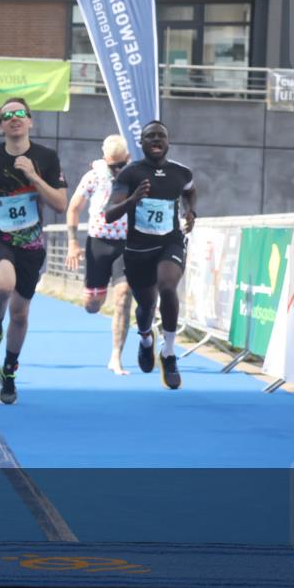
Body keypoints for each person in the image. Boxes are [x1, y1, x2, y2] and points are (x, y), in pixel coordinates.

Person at [0, 97, 67, 405]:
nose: (14, 118)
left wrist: (34, 176)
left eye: (20, 113)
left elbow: (60, 205)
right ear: (1, 125)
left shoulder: (46, 157)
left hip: (31, 244)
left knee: (21, 314)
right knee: (3, 284)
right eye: (7, 115)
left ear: (30, 121)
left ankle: (9, 371)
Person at [105, 121, 196, 390]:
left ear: (168, 142)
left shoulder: (181, 173)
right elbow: (109, 214)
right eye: (150, 136)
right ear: (142, 143)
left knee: (168, 287)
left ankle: (168, 353)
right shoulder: (130, 174)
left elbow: (190, 191)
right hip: (138, 249)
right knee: (146, 305)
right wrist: (132, 200)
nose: (156, 139)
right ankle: (146, 338)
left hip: (170, 242)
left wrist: (191, 212)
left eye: (161, 136)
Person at [65, 134, 133, 376]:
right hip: (98, 244)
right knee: (93, 305)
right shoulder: (93, 176)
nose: (117, 169)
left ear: (128, 157)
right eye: (113, 164)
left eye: (121, 164)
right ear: (105, 159)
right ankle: (94, 298)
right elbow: (73, 208)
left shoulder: (135, 175)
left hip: (126, 245)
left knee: (124, 296)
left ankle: (116, 356)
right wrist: (73, 243)